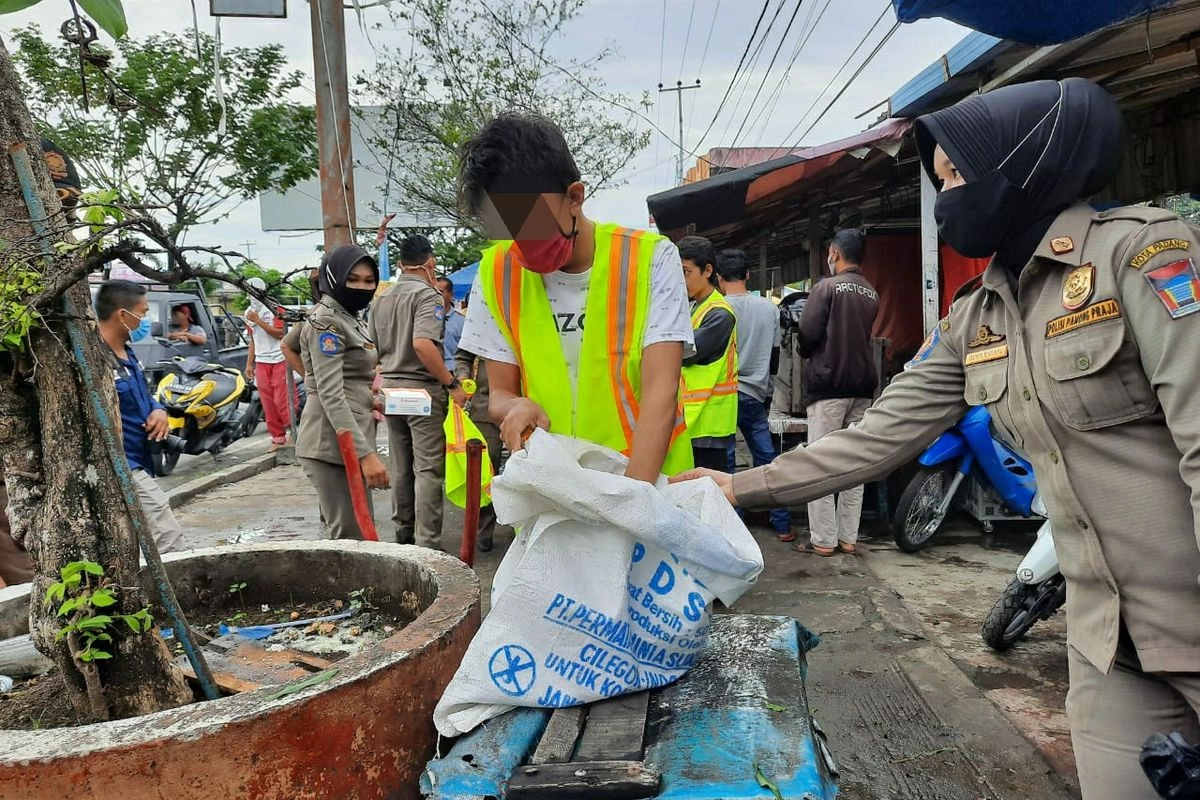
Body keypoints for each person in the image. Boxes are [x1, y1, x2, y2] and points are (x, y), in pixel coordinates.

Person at [674, 77, 1200, 800]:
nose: (944, 193)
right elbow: (878, 437)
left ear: (1019, 164)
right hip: (1109, 646)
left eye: (954, 173)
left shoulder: (1141, 258)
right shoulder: (973, 318)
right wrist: (737, 486)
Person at [458, 112, 695, 482]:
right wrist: (515, 407)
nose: (522, 246)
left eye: (531, 226)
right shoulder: (496, 274)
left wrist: (631, 503)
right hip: (556, 488)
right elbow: (500, 392)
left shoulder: (651, 259)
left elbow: (660, 392)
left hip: (651, 485)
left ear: (574, 197)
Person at [370, 235, 467, 550]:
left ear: (399, 264)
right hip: (421, 391)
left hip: (390, 389)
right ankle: (428, 544)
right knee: (427, 469)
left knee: (400, 465)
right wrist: (452, 384)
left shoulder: (381, 298)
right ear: (429, 264)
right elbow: (423, 344)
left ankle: (403, 534)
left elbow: (372, 348)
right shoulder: (428, 295)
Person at [793, 228, 879, 556]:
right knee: (853, 463)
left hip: (829, 386)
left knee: (820, 463)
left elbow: (808, 331)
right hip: (862, 387)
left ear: (834, 253)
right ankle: (848, 537)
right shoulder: (871, 292)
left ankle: (823, 540)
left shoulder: (826, 287)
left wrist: (803, 351)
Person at [295, 245, 390, 540]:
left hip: (348, 439)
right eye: (353, 279)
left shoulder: (347, 316)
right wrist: (365, 456)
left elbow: (347, 382)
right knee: (352, 540)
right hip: (332, 446)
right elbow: (331, 394)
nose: (362, 287)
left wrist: (373, 400)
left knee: (359, 535)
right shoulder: (327, 321)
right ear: (334, 278)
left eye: (368, 280)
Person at [94, 280, 186, 553]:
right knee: (167, 536)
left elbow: (145, 395)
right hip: (122, 463)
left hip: (142, 457)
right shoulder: (95, 359)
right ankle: (177, 593)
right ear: (123, 315)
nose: (145, 321)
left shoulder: (129, 353)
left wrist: (158, 409)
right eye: (143, 314)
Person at [715, 249, 792, 537]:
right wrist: (768, 392)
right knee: (766, 459)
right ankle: (782, 524)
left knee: (728, 462)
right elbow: (774, 357)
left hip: (722, 395)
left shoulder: (716, 307)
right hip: (756, 394)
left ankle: (735, 526)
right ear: (748, 275)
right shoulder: (769, 309)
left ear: (719, 277)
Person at [678, 236, 738, 472]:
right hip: (692, 420)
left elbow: (685, 352)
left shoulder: (720, 313)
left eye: (685, 272)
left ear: (707, 270)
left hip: (708, 422)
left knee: (710, 496)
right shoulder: (697, 307)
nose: (681, 280)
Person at [455, 339, 511, 552]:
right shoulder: (485, 316)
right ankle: (482, 531)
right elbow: (463, 355)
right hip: (485, 408)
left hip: (527, 405)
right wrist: (462, 377)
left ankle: (523, 529)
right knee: (484, 472)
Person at [244, 277, 295, 452]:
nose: (251, 296)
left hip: (279, 358)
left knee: (283, 399)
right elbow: (253, 339)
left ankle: (294, 432)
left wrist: (259, 321)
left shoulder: (275, 309)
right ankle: (277, 437)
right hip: (261, 361)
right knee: (267, 402)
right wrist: (249, 363)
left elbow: (280, 333)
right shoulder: (248, 313)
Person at [437, 276, 465, 374]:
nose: (436, 295)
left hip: (454, 372)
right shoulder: (426, 320)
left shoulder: (462, 322)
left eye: (440, 292)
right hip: (431, 372)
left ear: (451, 295)